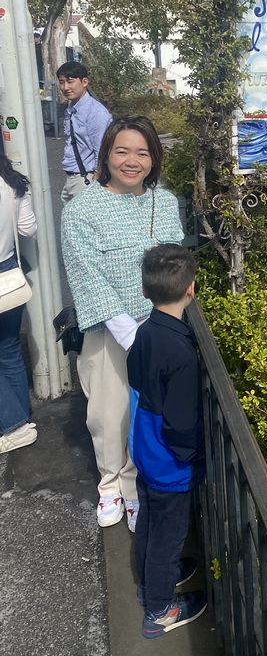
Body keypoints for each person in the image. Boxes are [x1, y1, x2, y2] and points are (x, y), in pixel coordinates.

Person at [61, 117, 185, 531]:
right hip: (109, 329)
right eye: (122, 151)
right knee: (107, 411)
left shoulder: (164, 202)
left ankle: (133, 488)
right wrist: (128, 332)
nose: (132, 161)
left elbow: (175, 263)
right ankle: (110, 484)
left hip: (159, 325)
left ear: (153, 158)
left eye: (142, 152)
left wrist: (165, 325)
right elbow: (86, 272)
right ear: (107, 156)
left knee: (146, 413)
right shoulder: (82, 209)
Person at [128, 243, 207, 638]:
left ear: (145, 292)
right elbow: (180, 424)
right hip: (168, 462)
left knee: (149, 521)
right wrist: (195, 457)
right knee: (168, 535)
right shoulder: (181, 353)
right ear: (191, 289)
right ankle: (158, 609)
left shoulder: (145, 333)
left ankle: (149, 583)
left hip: (143, 447)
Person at [0, 155, 38, 454]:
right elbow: (27, 229)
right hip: (9, 273)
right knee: (9, 348)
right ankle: (21, 417)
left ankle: (14, 425)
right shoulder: (13, 183)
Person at [57, 61, 112, 203]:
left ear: (84, 82)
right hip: (72, 177)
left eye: (70, 81)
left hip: (85, 178)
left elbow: (101, 148)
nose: (66, 87)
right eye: (62, 82)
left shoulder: (96, 112)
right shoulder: (72, 107)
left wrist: (97, 178)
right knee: (70, 221)